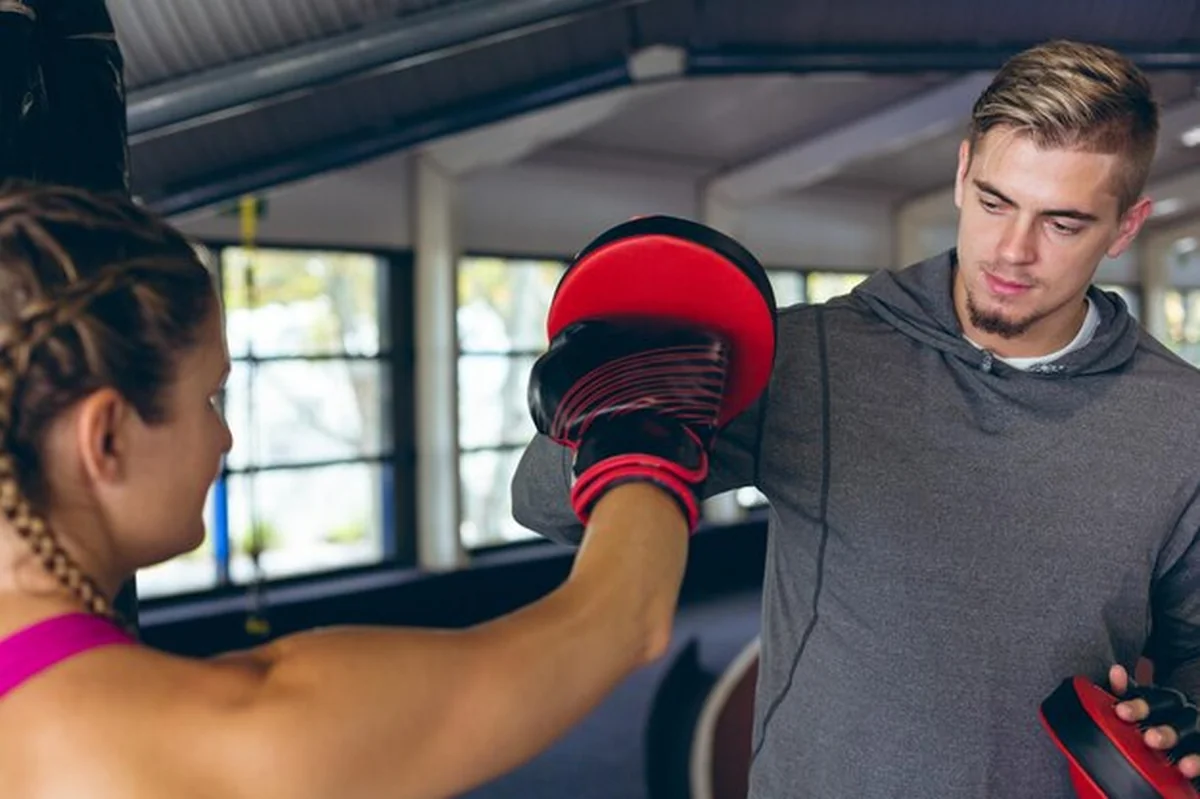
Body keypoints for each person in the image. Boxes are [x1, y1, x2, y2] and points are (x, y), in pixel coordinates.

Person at [512, 39, 1200, 797]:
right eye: (996, 202)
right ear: (964, 173)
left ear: (1126, 228)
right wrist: (611, 392)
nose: (1012, 250)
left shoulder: (1178, 420)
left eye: (1063, 223)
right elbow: (546, 506)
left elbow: (1192, 645)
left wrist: (1191, 718)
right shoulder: (815, 357)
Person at [0, 181, 705, 798]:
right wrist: (641, 431)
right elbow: (611, 625)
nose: (224, 440)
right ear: (108, 437)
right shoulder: (219, 735)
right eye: (210, 399)